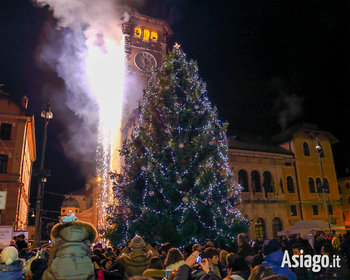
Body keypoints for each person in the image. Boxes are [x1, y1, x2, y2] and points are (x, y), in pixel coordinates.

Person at [42, 215, 98, 280]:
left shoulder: (57, 242)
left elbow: (51, 259)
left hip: (58, 268)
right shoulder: (86, 242)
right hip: (85, 267)